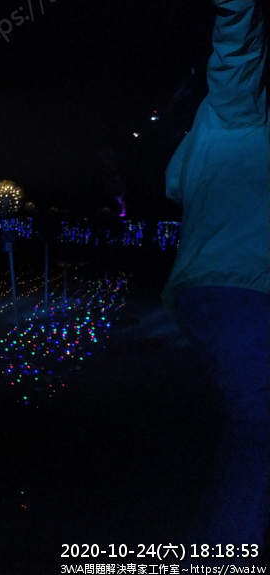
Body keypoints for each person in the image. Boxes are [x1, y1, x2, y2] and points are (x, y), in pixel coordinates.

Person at [163, 0, 270, 558]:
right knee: (260, 434)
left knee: (249, 430)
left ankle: (217, 552)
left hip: (211, 295)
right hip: (241, 294)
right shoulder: (237, 112)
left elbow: (178, 185)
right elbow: (236, 51)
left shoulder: (216, 149)